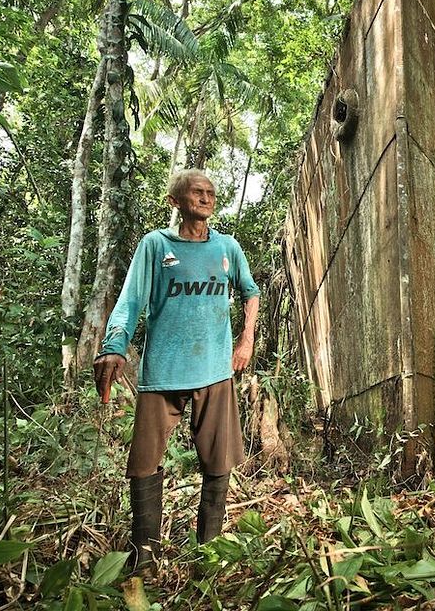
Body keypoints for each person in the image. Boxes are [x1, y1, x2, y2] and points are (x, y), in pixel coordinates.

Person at [92, 169, 260, 572]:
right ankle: (144, 557)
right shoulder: (155, 245)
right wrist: (114, 347)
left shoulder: (227, 247)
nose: (205, 198)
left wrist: (246, 339)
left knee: (218, 462)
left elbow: (250, 292)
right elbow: (131, 300)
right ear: (176, 201)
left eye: (210, 193)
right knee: (144, 463)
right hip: (163, 372)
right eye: (196, 192)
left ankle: (208, 551)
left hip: (215, 370)